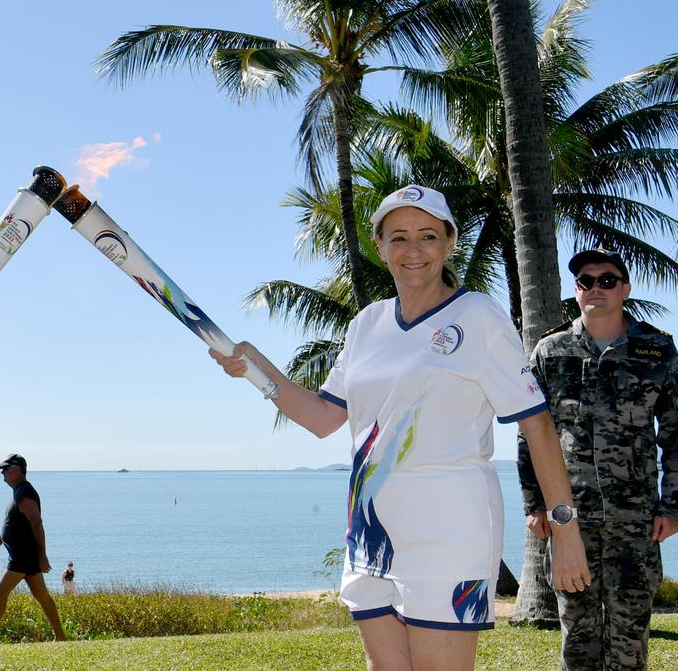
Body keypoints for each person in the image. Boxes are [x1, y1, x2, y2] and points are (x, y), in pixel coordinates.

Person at [211, 185, 591, 671]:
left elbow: (536, 424)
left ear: (450, 242)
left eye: (428, 236)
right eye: (399, 238)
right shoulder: (367, 324)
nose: (413, 250)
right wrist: (256, 370)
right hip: (371, 532)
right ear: (380, 246)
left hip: (451, 532)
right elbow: (324, 418)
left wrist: (565, 529)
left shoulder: (478, 316)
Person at [518, 248, 678, 670]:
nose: (595, 288)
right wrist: (534, 504)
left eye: (606, 281)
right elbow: (532, 435)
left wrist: (672, 505)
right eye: (586, 282)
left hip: (636, 518)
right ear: (577, 291)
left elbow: (676, 434)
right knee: (577, 630)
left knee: (631, 632)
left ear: (625, 289)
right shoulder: (550, 352)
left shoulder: (657, 350)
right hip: (571, 518)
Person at [0, 453, 68, 645]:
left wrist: (43, 556)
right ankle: (60, 636)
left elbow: (36, 523)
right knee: (42, 596)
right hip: (23, 556)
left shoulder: (25, 492)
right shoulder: (18, 492)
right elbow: (11, 526)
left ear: (16, 470)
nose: (1, 473)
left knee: (0, 592)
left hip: (22, 557)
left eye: (4, 469)